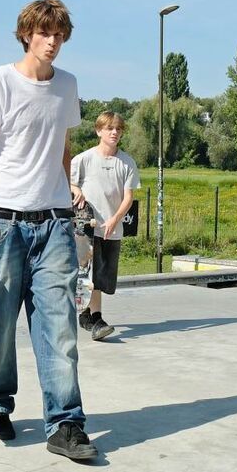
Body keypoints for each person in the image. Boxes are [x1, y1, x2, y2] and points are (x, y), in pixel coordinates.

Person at [0, 0, 95, 461]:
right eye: (44, 34)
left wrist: (71, 185)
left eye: (59, 35)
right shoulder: (0, 82)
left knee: (60, 325)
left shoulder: (67, 86)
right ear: (27, 35)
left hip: (53, 224)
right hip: (1, 222)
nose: (52, 43)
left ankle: (65, 424)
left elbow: (62, 144)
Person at [70, 110, 141, 341]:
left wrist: (114, 219)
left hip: (112, 228)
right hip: (86, 229)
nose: (114, 132)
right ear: (99, 130)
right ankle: (97, 319)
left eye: (118, 129)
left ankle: (87, 315)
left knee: (103, 277)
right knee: (90, 276)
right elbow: (67, 182)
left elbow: (128, 197)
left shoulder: (127, 162)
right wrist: (76, 189)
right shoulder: (83, 159)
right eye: (110, 128)